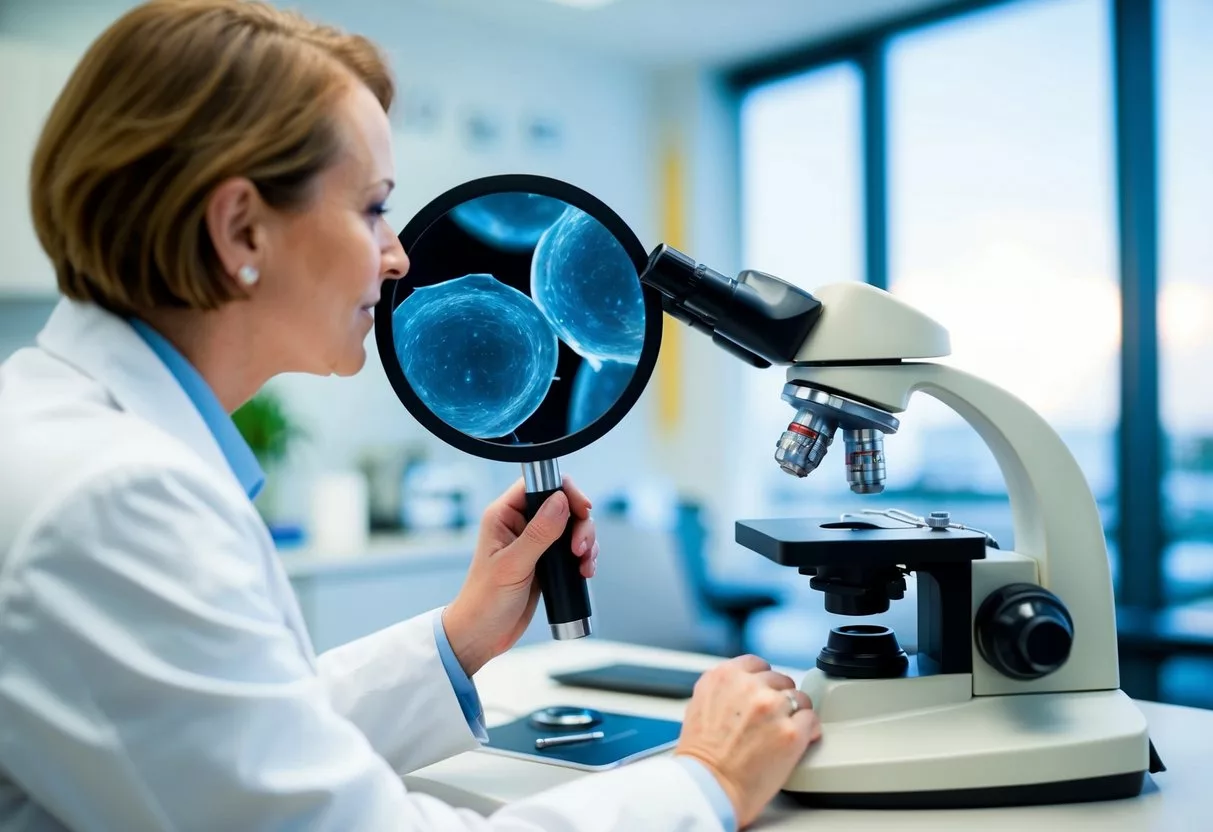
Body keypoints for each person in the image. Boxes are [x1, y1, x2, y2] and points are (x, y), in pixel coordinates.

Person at [0, 1, 822, 829]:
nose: (396, 258)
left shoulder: (71, 443)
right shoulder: (111, 501)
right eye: (371, 208)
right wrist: (703, 780)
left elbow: (228, 741)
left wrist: (460, 636)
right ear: (241, 230)